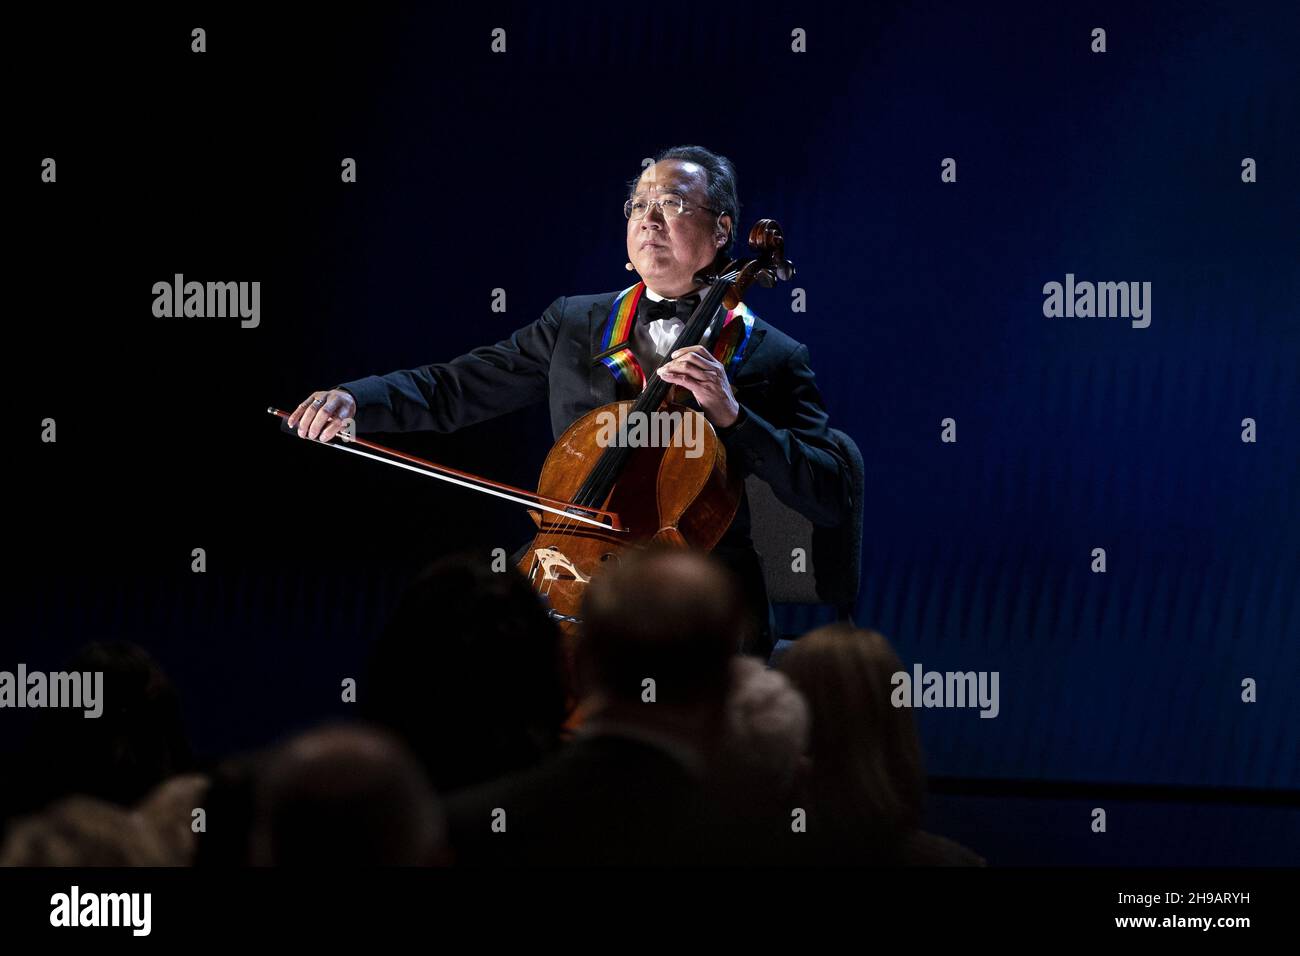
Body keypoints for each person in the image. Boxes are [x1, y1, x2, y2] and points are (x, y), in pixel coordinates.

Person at [285, 145, 851, 658]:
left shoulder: (773, 356)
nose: (648, 220)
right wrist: (354, 401)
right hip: (566, 570)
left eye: (673, 204)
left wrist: (733, 415)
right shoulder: (574, 323)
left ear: (722, 228)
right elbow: (454, 388)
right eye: (637, 206)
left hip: (701, 601)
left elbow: (829, 495)